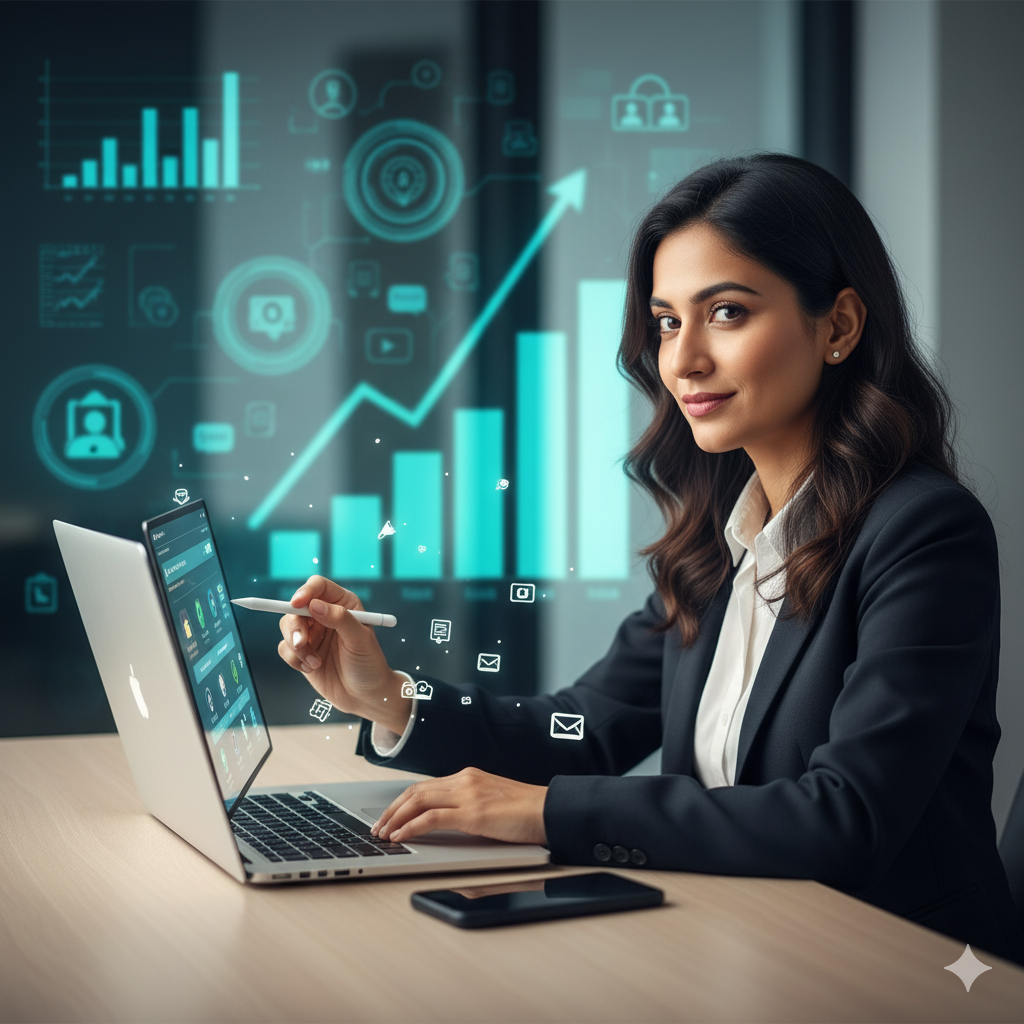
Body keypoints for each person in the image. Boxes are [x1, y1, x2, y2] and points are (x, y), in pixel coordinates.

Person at [277, 154, 1024, 964]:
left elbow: (843, 819)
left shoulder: (925, 533)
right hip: (736, 947)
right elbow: (585, 727)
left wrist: (545, 812)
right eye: (668, 321)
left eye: (727, 313)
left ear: (838, 325)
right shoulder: (719, 538)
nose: (684, 360)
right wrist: (389, 696)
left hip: (893, 969)